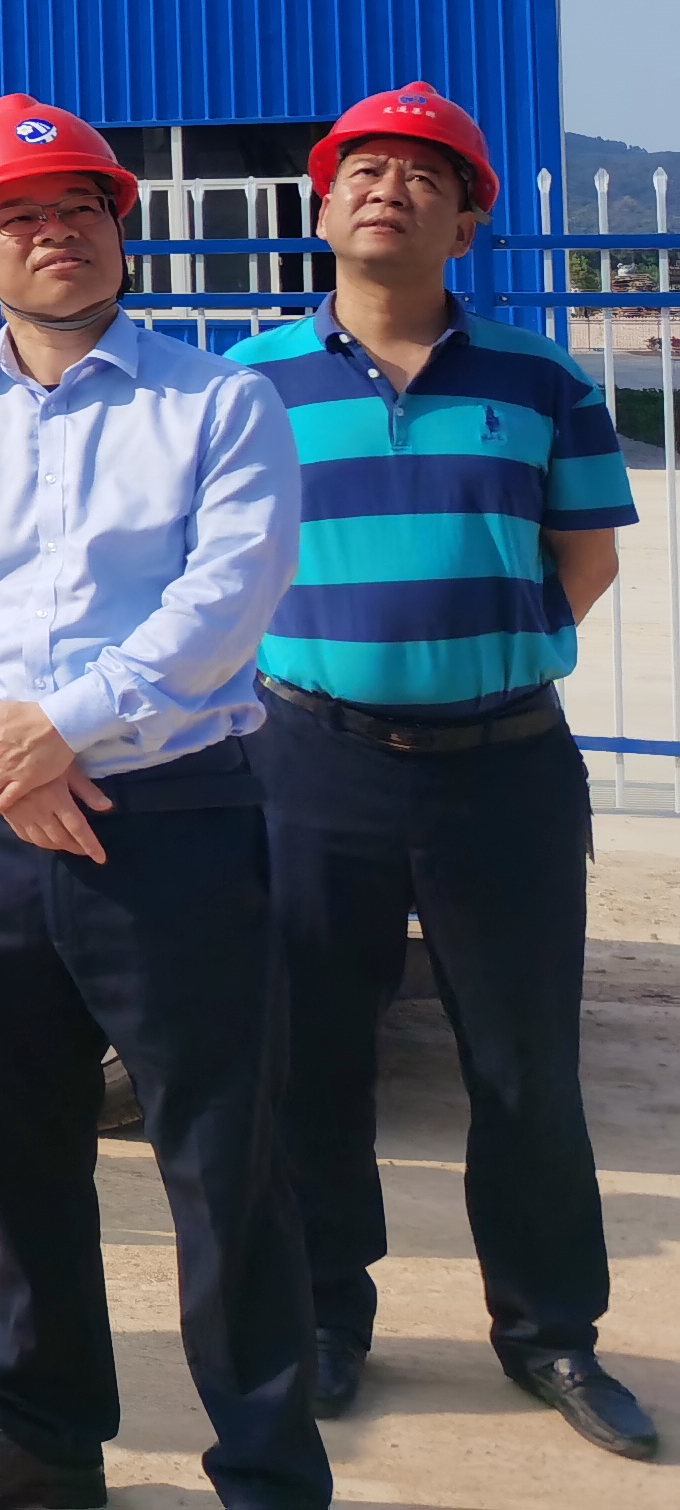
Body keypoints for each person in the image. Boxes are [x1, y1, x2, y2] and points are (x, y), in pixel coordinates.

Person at [0, 97, 327, 1510]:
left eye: (80, 207)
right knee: (22, 1152)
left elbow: (225, 600)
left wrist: (56, 729)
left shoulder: (219, 404)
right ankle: (44, 1444)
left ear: (121, 228)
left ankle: (268, 1472)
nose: (54, 231)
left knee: (224, 1164)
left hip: (172, 821)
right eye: (16, 215)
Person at [230, 85, 653, 1458]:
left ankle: (551, 1334)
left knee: (524, 1068)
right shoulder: (249, 385)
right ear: (320, 207)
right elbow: (215, 570)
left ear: (466, 221)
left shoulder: (542, 381)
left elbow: (584, 558)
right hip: (312, 766)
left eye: (425, 174)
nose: (388, 189)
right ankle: (324, 1320)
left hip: (504, 771)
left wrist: (475, 654)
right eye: (362, 168)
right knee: (313, 1061)